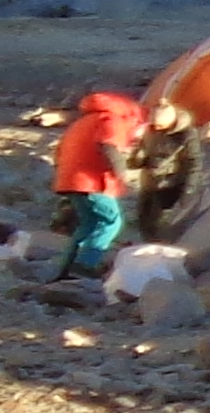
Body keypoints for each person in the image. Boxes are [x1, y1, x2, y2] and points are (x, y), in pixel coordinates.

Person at [47, 87, 149, 274]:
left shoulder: (83, 122)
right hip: (92, 181)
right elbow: (109, 147)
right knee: (110, 222)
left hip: (69, 180)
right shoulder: (113, 121)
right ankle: (85, 265)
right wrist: (121, 175)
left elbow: (58, 153)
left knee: (88, 223)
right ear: (134, 117)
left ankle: (67, 268)